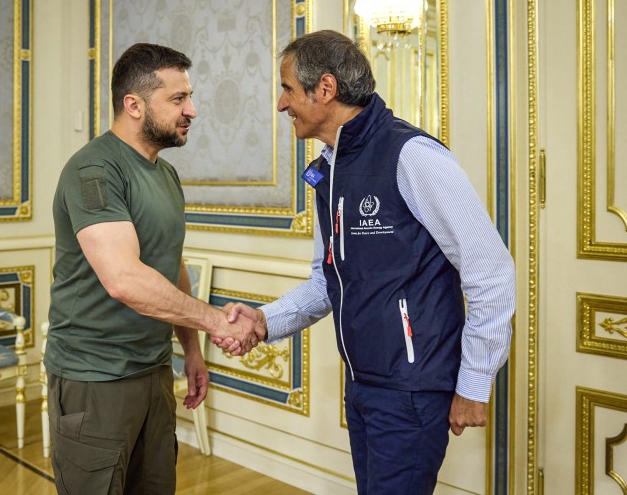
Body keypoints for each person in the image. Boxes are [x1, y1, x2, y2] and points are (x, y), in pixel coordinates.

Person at [215, 30, 515, 494]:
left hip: (411, 390)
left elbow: (490, 271)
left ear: (327, 90)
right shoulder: (329, 166)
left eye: (288, 89)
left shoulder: (412, 156)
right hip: (364, 385)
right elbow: (327, 280)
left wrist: (474, 384)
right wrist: (263, 320)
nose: (280, 103)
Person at [44, 43, 264, 495]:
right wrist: (217, 320)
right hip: (94, 377)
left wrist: (193, 349)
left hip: (153, 370)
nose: (193, 110)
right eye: (178, 99)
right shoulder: (94, 171)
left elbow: (168, 262)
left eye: (190, 97)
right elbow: (124, 279)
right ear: (134, 105)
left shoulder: (165, 175)